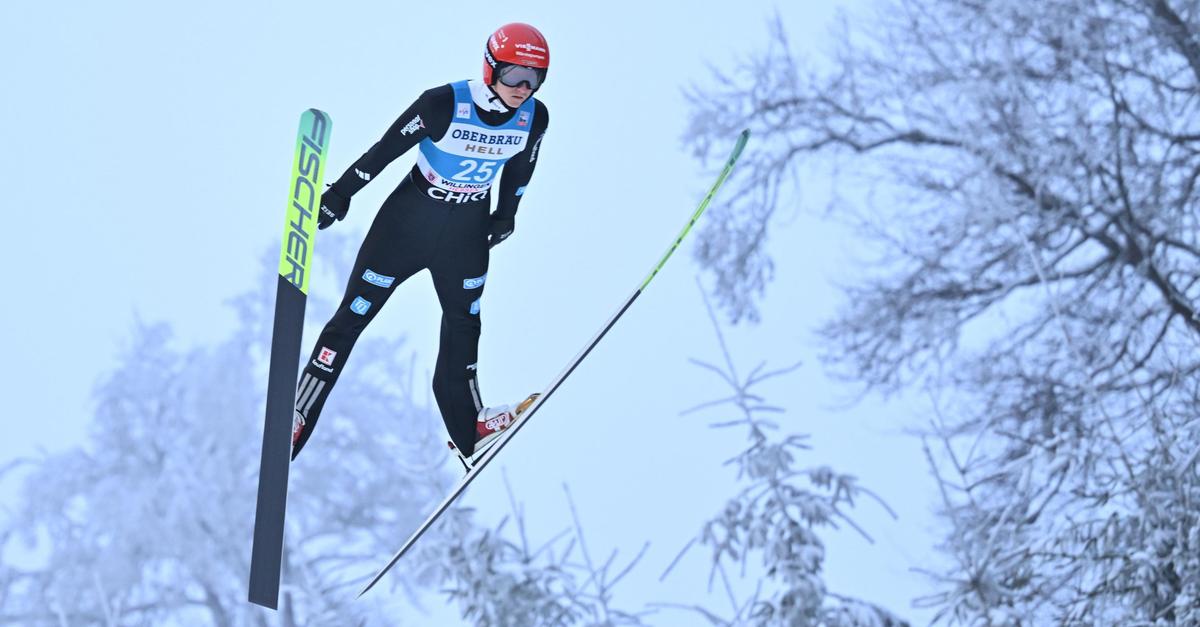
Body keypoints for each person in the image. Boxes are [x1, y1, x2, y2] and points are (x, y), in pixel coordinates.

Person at [290, 22, 550, 470]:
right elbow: (383, 150)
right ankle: (298, 414)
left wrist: (507, 215)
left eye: (535, 78)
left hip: (466, 230)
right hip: (408, 223)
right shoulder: (443, 103)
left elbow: (522, 169)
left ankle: (470, 426)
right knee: (352, 317)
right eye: (513, 75)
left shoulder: (535, 117)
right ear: (491, 70)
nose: (523, 89)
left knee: (465, 323)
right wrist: (339, 194)